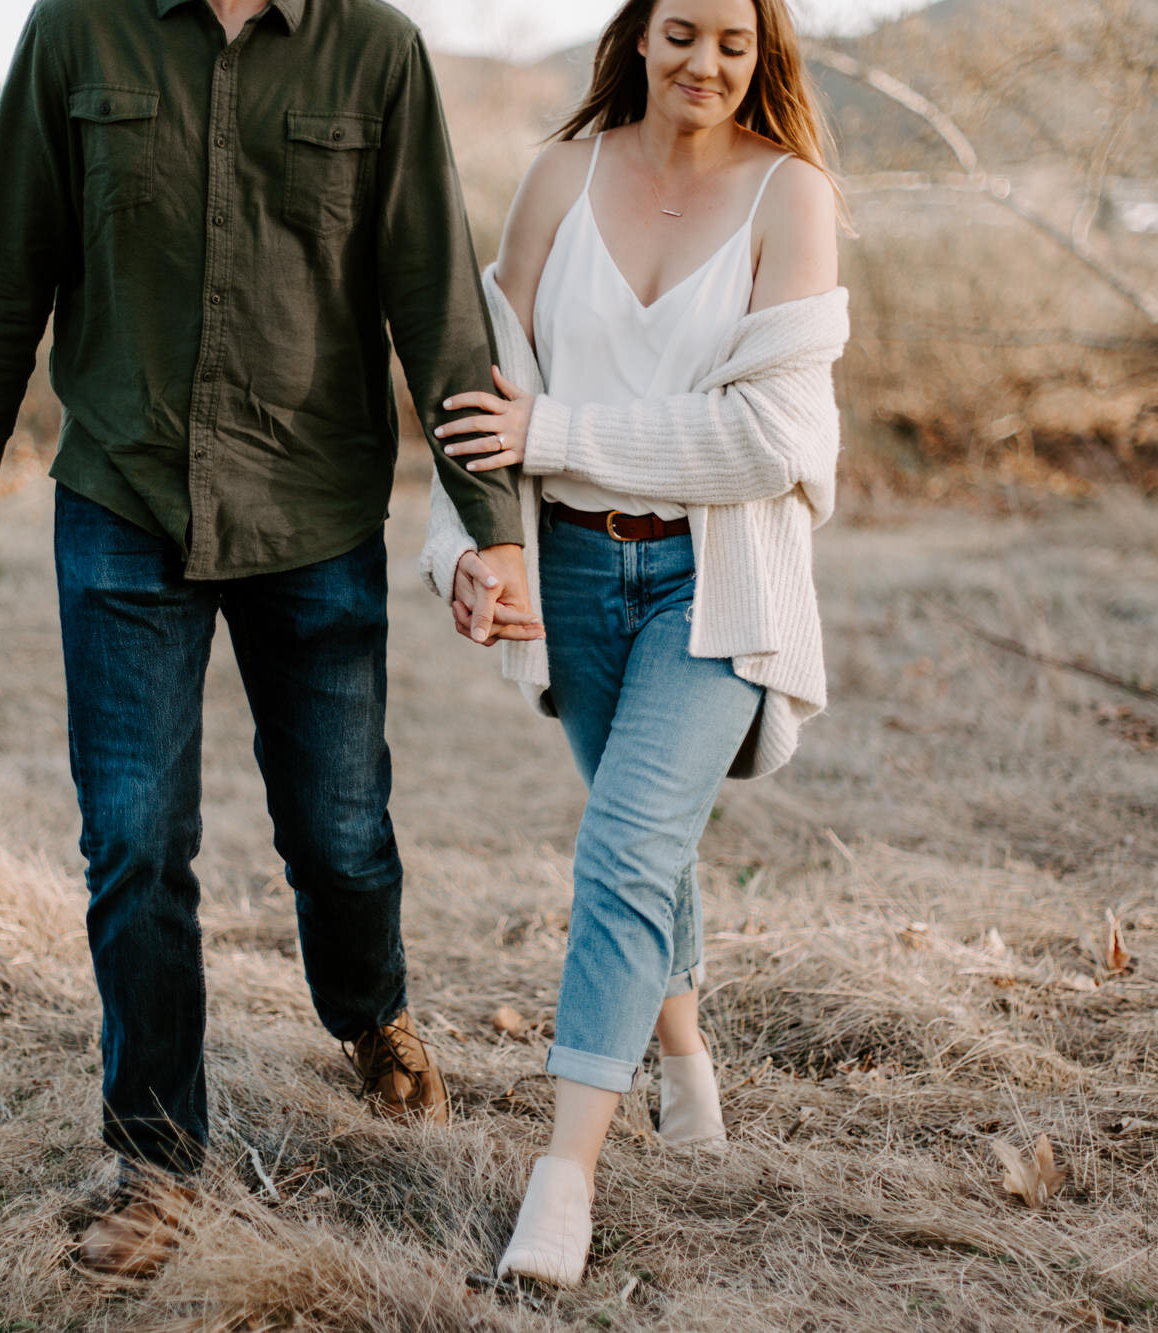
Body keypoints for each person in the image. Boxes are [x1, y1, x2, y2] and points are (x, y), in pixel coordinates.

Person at [0, 0, 539, 1279]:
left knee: (341, 832)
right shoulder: (76, 32)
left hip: (311, 511)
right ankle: (156, 1159)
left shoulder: (375, 50)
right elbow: (0, 273)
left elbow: (431, 298)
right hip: (121, 501)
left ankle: (371, 1015)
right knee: (134, 839)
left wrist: (490, 524)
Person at [418, 0, 848, 1288]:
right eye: (679, 32)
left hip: (716, 584)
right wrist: (459, 553)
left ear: (762, 47)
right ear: (637, 34)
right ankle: (682, 1060)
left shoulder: (792, 198)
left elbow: (769, 443)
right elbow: (481, 396)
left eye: (730, 39)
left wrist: (557, 434)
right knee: (640, 830)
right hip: (570, 572)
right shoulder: (561, 175)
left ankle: (564, 1179)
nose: (702, 62)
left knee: (617, 848)